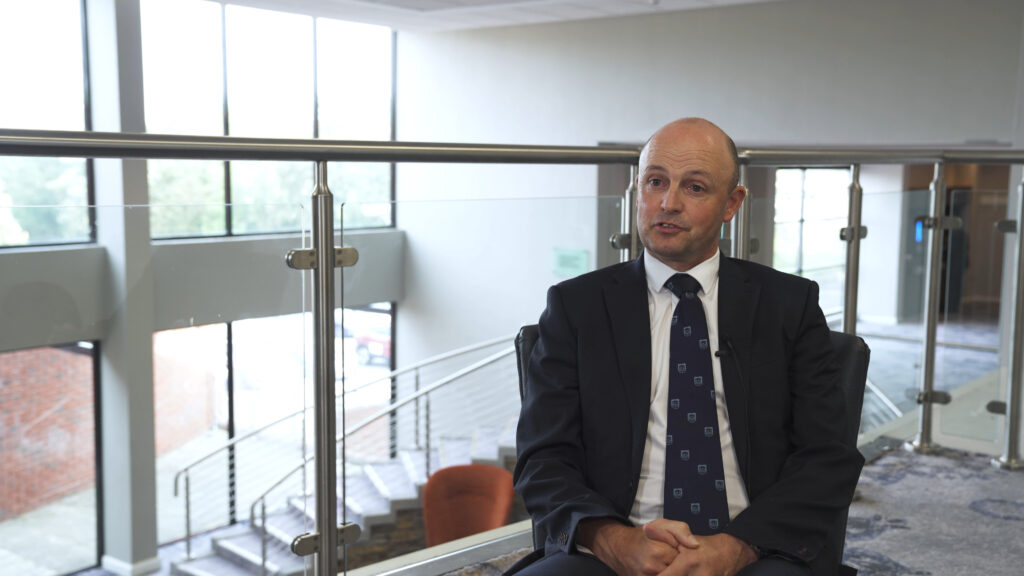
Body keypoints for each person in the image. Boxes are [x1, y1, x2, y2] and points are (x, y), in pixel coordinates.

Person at [510, 118, 864, 576]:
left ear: (732, 204)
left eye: (694, 187)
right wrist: (613, 540)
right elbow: (542, 459)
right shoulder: (576, 307)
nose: (668, 203)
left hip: (756, 549)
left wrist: (737, 547)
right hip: (613, 547)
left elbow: (827, 456)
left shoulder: (789, 305)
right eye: (655, 182)